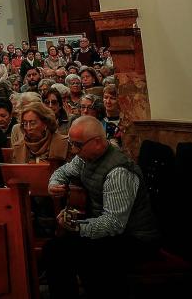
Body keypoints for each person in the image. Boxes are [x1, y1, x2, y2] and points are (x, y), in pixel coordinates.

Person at [43, 116, 160, 299]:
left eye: (78, 145)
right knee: (54, 249)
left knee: (85, 255)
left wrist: (76, 227)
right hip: (106, 230)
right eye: (72, 143)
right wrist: (54, 183)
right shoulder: (85, 157)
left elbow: (113, 223)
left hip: (134, 238)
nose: (73, 150)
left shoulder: (119, 172)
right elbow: (63, 171)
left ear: (97, 142)